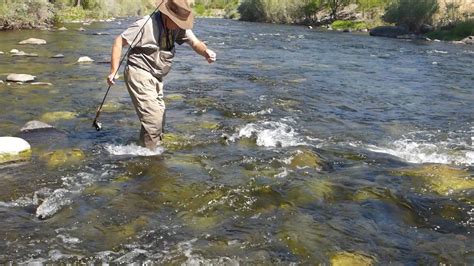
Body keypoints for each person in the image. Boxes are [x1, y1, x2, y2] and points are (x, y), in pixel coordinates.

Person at [107, 0, 216, 150]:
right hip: (138, 72)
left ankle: (146, 149)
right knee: (153, 119)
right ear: (167, 16)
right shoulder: (145, 24)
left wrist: (206, 52)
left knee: (159, 118)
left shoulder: (179, 26)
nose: (180, 26)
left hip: (157, 77)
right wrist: (114, 70)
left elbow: (195, 43)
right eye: (178, 22)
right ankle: (150, 160)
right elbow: (119, 41)